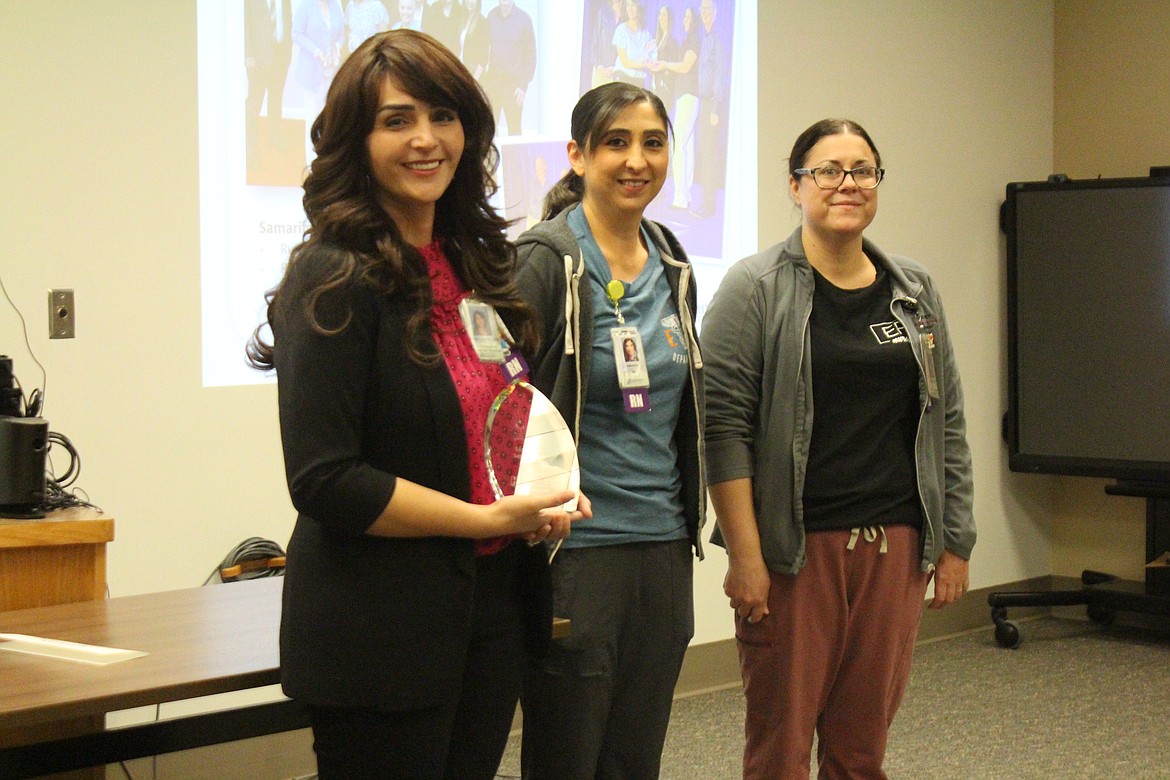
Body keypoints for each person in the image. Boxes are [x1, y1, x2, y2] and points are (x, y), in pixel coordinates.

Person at [245, 30, 589, 779]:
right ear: (355, 142)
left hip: (488, 609)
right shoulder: (330, 278)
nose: (426, 140)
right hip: (379, 633)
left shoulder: (474, 264)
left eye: (443, 115)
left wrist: (540, 487)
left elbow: (494, 414)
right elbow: (326, 480)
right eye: (396, 120)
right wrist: (482, 520)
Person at [701, 118, 976, 779]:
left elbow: (948, 418)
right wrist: (745, 557)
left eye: (862, 170)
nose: (847, 183)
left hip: (895, 548)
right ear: (795, 184)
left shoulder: (913, 288)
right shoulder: (755, 287)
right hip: (797, 552)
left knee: (862, 749)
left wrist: (956, 540)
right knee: (781, 750)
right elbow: (723, 430)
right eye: (828, 170)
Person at [514, 81, 707, 780]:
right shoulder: (544, 261)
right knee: (570, 753)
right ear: (577, 155)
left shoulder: (673, 260)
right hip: (578, 549)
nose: (636, 160)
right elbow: (501, 405)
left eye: (653, 143)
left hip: (662, 541)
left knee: (634, 755)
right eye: (616, 142)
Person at [658, 5, 699, 210]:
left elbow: (685, 66)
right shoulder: (687, 40)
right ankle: (686, 195)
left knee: (678, 145)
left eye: (689, 17)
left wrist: (665, 65)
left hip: (689, 96)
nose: (686, 21)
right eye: (685, 17)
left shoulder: (694, 40)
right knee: (686, 146)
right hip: (686, 97)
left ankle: (680, 198)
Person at [691, 0, 726, 218]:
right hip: (701, 101)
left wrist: (715, 108)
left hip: (711, 103)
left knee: (709, 154)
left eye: (709, 10)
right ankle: (705, 202)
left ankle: (709, 206)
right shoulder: (703, 36)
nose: (705, 14)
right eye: (703, 10)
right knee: (703, 152)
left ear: (715, 12)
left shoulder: (717, 38)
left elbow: (720, 74)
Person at [483, 0, 536, 135]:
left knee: (514, 130)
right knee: (490, 129)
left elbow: (530, 55)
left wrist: (523, 86)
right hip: (493, 82)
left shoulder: (524, 19)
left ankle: (515, 157)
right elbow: (483, 49)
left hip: (514, 86)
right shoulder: (491, 16)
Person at [612, 0, 655, 87]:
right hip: (623, 76)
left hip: (639, 79)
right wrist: (643, 65)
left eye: (633, 5)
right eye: (628, 5)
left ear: (639, 7)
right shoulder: (621, 30)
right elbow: (624, 61)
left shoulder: (646, 33)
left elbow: (649, 56)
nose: (630, 9)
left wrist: (650, 62)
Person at [589, 0, 625, 87]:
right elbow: (595, 43)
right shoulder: (604, 12)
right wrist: (600, 67)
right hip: (600, 73)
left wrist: (617, 68)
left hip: (620, 76)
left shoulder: (628, 15)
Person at [458, 0, 490, 80]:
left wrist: (474, 79)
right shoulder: (459, 18)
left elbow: (483, 56)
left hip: (471, 73)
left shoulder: (482, 23)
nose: (470, 2)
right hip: (458, 68)